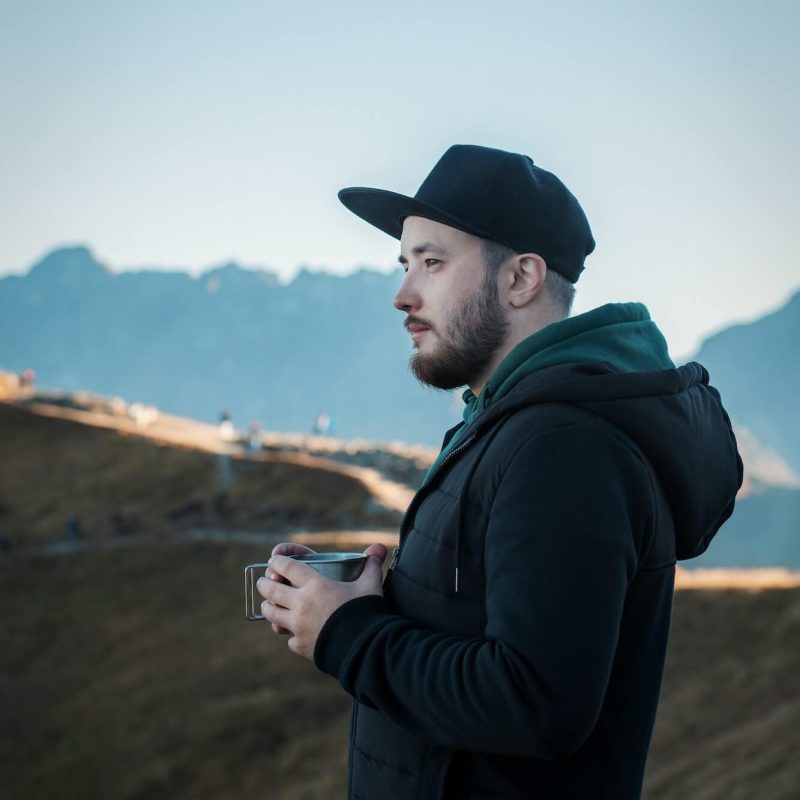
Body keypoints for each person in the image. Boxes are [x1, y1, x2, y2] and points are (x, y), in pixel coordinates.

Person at [257, 145, 742, 799]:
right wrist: (358, 599)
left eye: (432, 262)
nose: (403, 294)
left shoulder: (564, 447)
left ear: (521, 279)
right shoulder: (506, 423)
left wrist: (347, 634)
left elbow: (535, 702)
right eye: (405, 265)